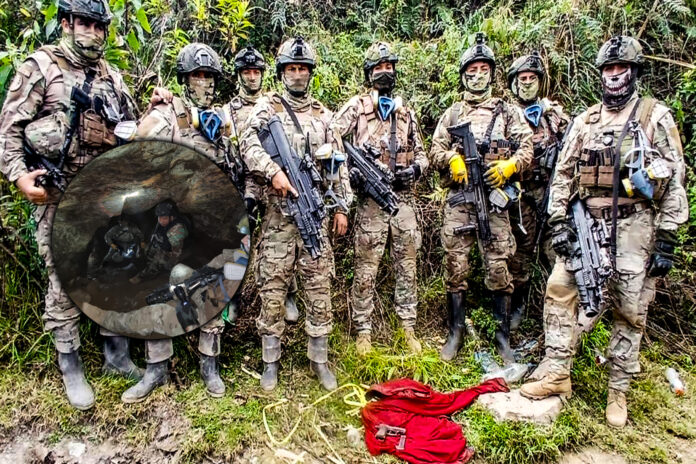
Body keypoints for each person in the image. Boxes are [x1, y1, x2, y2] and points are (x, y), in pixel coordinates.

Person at [520, 36, 688, 428]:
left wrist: (667, 236)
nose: (614, 75)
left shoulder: (653, 116)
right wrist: (558, 221)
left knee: (629, 309)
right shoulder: (586, 120)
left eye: (621, 69)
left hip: (633, 226)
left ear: (633, 72)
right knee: (560, 289)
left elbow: (675, 178)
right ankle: (557, 372)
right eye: (609, 69)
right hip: (586, 222)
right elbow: (564, 173)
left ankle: (617, 391)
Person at [0, 0, 144, 410]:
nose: (93, 33)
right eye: (85, 24)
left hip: (105, 195)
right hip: (59, 194)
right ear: (65, 23)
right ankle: (71, 364)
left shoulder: (112, 76)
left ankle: (116, 356)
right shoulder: (41, 67)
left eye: (100, 27)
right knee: (65, 280)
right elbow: (8, 130)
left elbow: (131, 128)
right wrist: (19, 176)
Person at [240, 36, 352, 391]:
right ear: (282, 72)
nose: (298, 74)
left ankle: (319, 360)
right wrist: (272, 171)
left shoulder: (324, 115)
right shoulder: (267, 107)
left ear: (310, 72)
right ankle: (270, 362)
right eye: (292, 68)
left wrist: (341, 206)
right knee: (272, 290)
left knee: (319, 288)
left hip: (313, 214)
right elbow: (247, 143)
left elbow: (338, 166)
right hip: (278, 218)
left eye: (303, 68)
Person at [123, 44, 232, 401]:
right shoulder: (170, 113)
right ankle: (156, 368)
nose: (204, 82)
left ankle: (209, 365)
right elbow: (137, 149)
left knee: (212, 291)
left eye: (209, 76)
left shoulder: (221, 120)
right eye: (197, 75)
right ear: (185, 79)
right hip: (171, 226)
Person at [429, 33, 533, 363]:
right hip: (460, 201)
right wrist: (451, 159)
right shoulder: (453, 114)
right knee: (455, 265)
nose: (477, 76)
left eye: (483, 69)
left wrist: (509, 166)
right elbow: (433, 151)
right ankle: (455, 332)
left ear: (492, 73)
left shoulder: (508, 112)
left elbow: (528, 147)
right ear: (463, 75)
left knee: (499, 264)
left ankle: (502, 335)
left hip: (494, 201)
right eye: (471, 70)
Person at [330, 41, 428, 356]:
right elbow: (331, 134)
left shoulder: (406, 112)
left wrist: (415, 169)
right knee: (366, 269)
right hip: (370, 203)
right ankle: (363, 331)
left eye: (388, 66)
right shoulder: (357, 107)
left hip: (403, 201)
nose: (384, 72)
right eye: (378, 68)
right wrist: (348, 173)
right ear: (369, 73)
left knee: (407, 265)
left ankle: (407, 327)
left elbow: (423, 154)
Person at [227, 45, 300, 324]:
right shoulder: (228, 110)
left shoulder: (274, 104)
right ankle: (233, 296)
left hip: (273, 181)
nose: (252, 77)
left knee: (284, 236)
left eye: (256, 71)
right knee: (238, 242)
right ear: (239, 75)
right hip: (243, 181)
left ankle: (288, 292)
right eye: (247, 71)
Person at [505, 51, 570, 330]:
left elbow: (572, 149)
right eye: (523, 78)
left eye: (532, 77)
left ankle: (558, 314)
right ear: (514, 82)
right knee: (520, 255)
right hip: (521, 197)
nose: (528, 82)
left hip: (552, 194)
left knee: (557, 255)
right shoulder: (506, 115)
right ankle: (517, 307)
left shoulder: (554, 115)